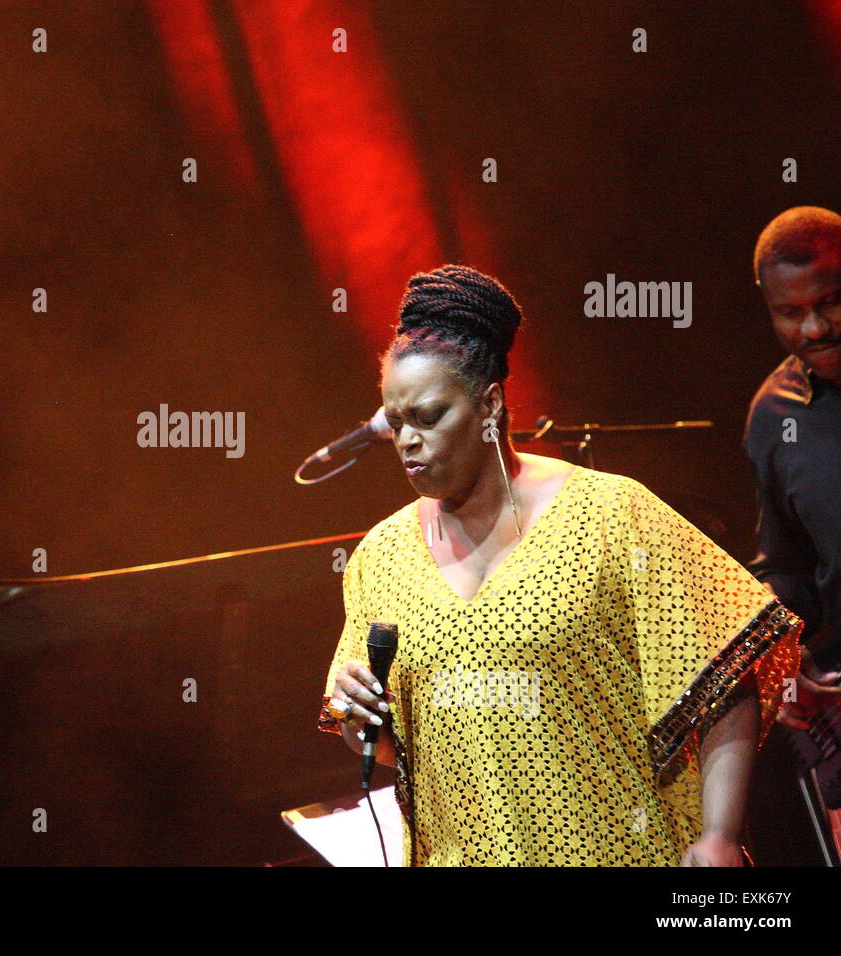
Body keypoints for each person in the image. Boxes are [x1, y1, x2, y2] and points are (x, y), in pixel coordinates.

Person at [317, 265, 802, 866]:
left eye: (429, 416)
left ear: (490, 403)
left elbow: (727, 676)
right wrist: (358, 716)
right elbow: (392, 747)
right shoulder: (380, 559)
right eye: (396, 422)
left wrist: (721, 834)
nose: (408, 440)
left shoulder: (611, 514)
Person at [744, 207, 841, 728]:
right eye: (790, 312)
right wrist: (775, 642)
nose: (815, 328)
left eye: (831, 302)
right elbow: (786, 564)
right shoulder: (774, 413)